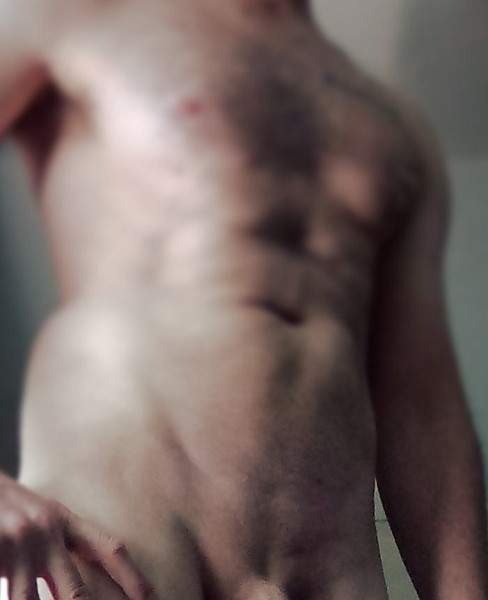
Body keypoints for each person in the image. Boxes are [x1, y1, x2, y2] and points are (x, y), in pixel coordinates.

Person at [1, 0, 487, 598]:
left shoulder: (399, 128)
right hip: (113, 552)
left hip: (333, 575)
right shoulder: (68, 16)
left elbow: (421, 403)